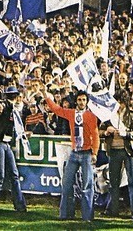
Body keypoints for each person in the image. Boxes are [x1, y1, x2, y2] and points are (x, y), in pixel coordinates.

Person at [41, 87, 99, 222]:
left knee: (87, 186)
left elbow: (95, 135)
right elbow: (56, 109)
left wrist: (94, 153)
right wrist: (45, 95)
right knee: (66, 184)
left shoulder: (90, 116)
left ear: (87, 102)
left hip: (86, 154)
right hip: (74, 153)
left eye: (84, 100)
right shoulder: (71, 113)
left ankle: (87, 217)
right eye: (79, 99)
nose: (81, 102)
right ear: (76, 101)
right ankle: (65, 214)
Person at [99, 89, 133, 223]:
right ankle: (112, 210)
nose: (118, 105)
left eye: (121, 103)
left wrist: (124, 133)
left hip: (128, 151)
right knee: (113, 183)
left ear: (125, 102)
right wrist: (106, 132)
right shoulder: (109, 116)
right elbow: (100, 131)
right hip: (113, 150)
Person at [0, 86, 27, 212]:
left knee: (10, 175)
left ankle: (19, 206)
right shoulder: (4, 106)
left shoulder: (12, 109)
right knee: (2, 175)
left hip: (4, 143)